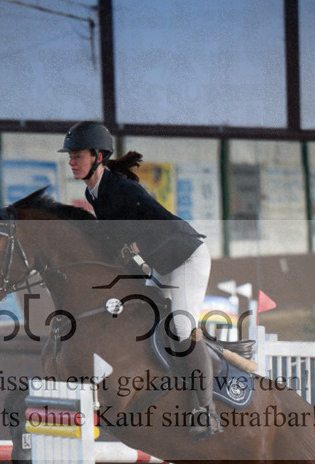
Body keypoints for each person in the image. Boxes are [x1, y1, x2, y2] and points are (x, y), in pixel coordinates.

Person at [58, 121, 221, 439]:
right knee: (140, 316)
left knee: (182, 329)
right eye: (70, 156)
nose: (72, 161)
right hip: (162, 262)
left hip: (186, 258)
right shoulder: (94, 193)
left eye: (77, 156)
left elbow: (145, 232)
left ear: (98, 156)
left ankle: (206, 410)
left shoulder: (122, 190)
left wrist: (129, 248)